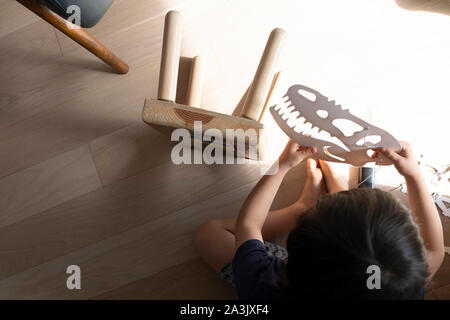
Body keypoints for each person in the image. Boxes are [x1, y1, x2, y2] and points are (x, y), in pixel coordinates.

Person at [194, 139, 445, 299]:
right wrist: (413, 173)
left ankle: (300, 208)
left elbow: (248, 225)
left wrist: (282, 165)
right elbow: (435, 251)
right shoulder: (401, 284)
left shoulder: (265, 287)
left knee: (209, 235)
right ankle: (337, 188)